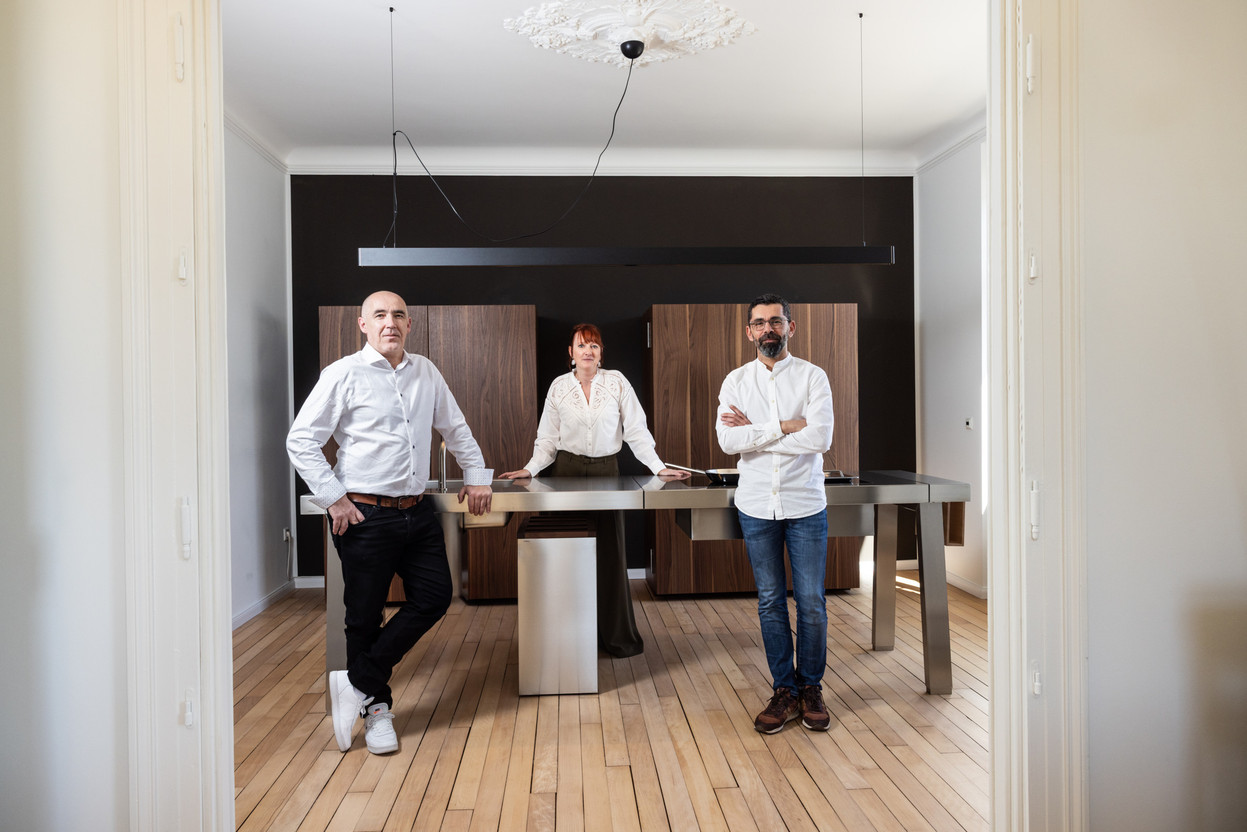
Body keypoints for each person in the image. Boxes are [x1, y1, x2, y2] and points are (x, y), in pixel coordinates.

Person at [287, 290, 494, 755]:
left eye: (398, 315)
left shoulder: (426, 371)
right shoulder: (343, 374)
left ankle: (355, 681)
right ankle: (377, 710)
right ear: (363, 324)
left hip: (416, 511)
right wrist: (334, 498)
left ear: (409, 324)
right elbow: (301, 440)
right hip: (365, 516)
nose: (390, 322)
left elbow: (455, 427)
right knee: (364, 616)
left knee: (435, 597)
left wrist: (478, 476)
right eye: (379, 315)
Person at [501, 323, 689, 657]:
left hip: (607, 472)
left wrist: (658, 466)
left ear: (601, 353)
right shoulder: (558, 387)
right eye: (582, 345)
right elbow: (547, 439)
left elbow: (636, 430)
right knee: (565, 554)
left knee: (610, 555)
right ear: (570, 353)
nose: (588, 351)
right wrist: (530, 469)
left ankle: (616, 638)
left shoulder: (617, 383)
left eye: (594, 346)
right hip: (565, 473)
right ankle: (567, 642)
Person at [716, 293, 835, 733]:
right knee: (770, 601)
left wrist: (756, 434)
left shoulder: (813, 377)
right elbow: (728, 442)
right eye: (760, 323)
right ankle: (784, 690)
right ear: (749, 332)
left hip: (805, 503)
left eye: (776, 321)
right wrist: (785, 426)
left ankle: (810, 687)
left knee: (811, 603)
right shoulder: (735, 382)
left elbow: (820, 438)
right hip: (756, 506)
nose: (768, 329)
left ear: (790, 327)